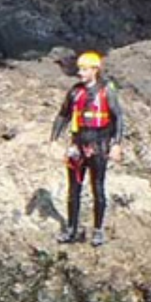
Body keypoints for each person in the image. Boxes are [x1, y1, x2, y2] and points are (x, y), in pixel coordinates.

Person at [50, 50, 124, 246]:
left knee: (97, 187)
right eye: (79, 69)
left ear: (95, 70)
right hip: (77, 145)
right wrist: (53, 140)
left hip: (98, 146)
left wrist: (116, 144)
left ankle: (98, 230)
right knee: (73, 189)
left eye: (84, 69)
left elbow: (118, 118)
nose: (79, 73)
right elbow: (63, 115)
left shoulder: (107, 90)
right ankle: (71, 228)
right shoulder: (75, 91)